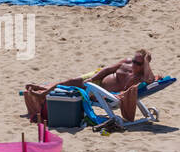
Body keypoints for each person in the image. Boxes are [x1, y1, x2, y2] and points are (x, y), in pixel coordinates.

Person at [23, 51, 155, 123]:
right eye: (134, 60)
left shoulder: (141, 77)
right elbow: (108, 69)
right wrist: (94, 78)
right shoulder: (126, 62)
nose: (133, 64)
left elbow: (150, 79)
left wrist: (147, 62)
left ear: (144, 64)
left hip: (99, 91)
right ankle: (43, 90)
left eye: (138, 62)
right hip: (96, 79)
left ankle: (44, 91)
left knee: (71, 87)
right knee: (71, 81)